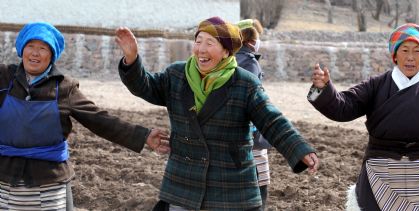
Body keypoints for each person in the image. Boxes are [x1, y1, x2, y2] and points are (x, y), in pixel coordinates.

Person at [115, 16, 319, 210]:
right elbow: (145, 86)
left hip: (230, 185)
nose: (201, 49)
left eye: (210, 43)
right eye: (198, 41)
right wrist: (132, 60)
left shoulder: (245, 84)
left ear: (226, 52)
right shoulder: (176, 75)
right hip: (183, 181)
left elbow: (272, 121)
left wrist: (300, 149)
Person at [0, 22, 170, 210]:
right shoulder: (4, 77)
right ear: (22, 49)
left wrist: (144, 135)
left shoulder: (65, 87)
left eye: (42, 48)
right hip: (5, 178)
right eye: (30, 46)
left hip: (48, 182)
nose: (34, 53)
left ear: (52, 55)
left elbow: (100, 120)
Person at [308, 23, 419, 211]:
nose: (410, 57)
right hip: (380, 169)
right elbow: (344, 107)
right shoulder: (376, 86)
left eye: (417, 51)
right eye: (404, 50)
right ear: (394, 55)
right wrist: (324, 89)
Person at [236, 18, 271, 210]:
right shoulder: (249, 63)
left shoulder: (229, 58)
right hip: (250, 130)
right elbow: (252, 99)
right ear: (251, 40)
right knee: (259, 176)